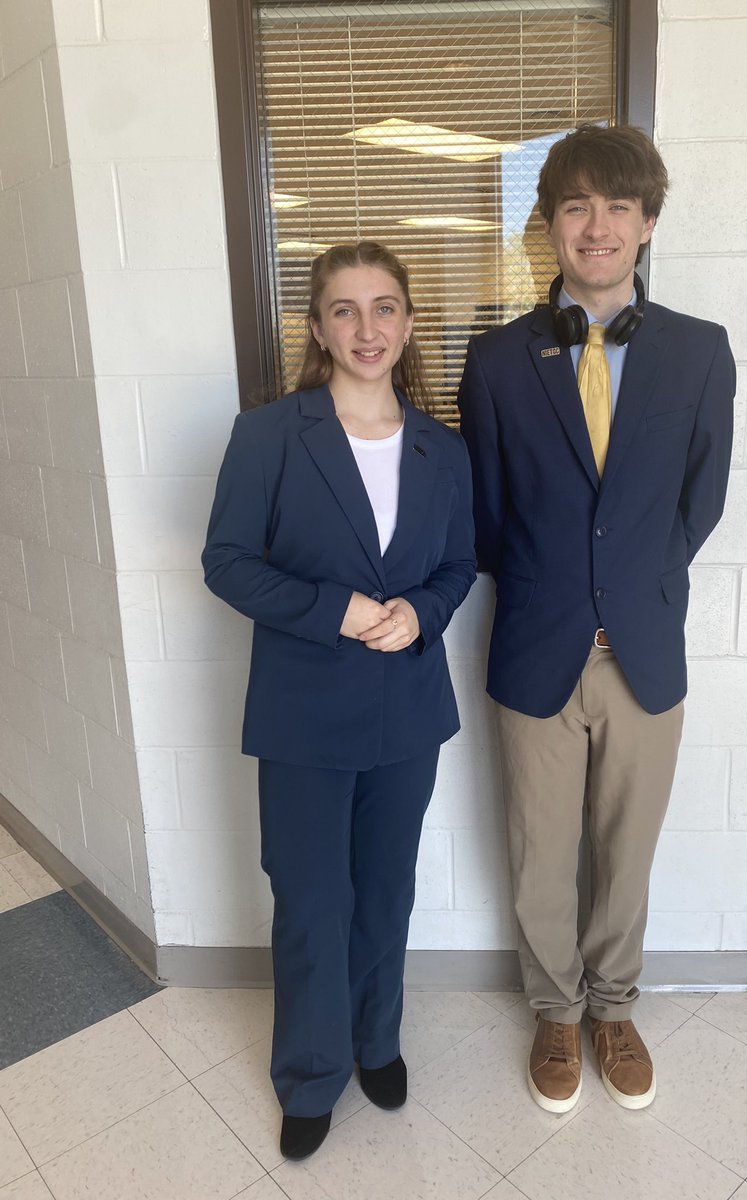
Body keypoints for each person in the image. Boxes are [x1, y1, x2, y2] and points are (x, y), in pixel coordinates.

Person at [457, 124, 735, 1114]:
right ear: (549, 225)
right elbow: (486, 517)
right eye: (576, 205)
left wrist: (631, 584)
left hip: (645, 650)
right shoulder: (496, 360)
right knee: (540, 851)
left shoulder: (700, 352)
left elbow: (700, 501)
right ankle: (555, 1010)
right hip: (538, 642)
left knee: (627, 848)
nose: (598, 225)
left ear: (647, 223)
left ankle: (615, 1008)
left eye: (619, 205)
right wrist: (559, 588)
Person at [203, 241, 476, 1159]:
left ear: (408, 324)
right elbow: (226, 563)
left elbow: (457, 563)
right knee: (313, 899)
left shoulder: (444, 448)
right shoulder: (269, 436)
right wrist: (338, 610)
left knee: (386, 893)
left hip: (408, 712)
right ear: (317, 328)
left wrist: (423, 612)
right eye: (346, 310)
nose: (368, 328)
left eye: (385, 307)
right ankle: (311, 1073)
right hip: (303, 714)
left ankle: (375, 1041)